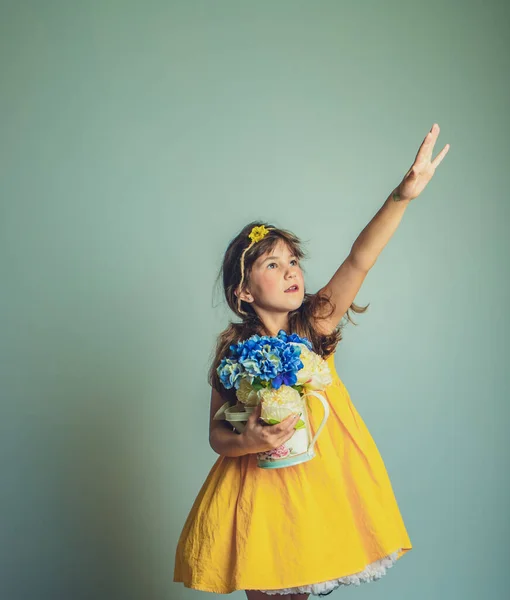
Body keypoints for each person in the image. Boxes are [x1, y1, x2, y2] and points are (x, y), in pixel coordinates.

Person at [173, 124, 450, 598]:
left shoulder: (315, 323)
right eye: (272, 265)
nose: (291, 271)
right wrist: (250, 439)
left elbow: (360, 259)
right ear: (242, 291)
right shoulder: (232, 353)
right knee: (268, 591)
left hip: (317, 482)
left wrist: (401, 197)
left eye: (293, 260)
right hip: (257, 489)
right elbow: (218, 434)